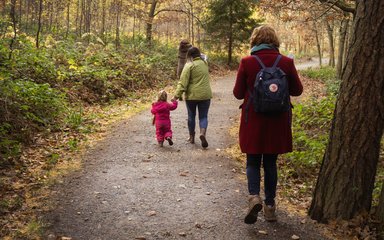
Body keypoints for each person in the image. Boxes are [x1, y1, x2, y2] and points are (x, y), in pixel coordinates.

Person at [233, 25, 303, 224]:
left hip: (253, 120)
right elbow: (297, 91)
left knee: (253, 161)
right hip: (277, 122)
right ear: (275, 41)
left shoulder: (247, 62)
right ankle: (270, 206)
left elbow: (238, 93)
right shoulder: (287, 62)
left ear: (254, 41)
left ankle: (254, 197)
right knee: (271, 163)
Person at [174, 46, 212, 148]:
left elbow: (183, 82)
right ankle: (202, 133)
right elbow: (204, 57)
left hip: (192, 96)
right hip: (205, 95)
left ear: (189, 55)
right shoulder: (204, 63)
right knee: (203, 116)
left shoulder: (189, 65)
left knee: (191, 116)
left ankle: (191, 137)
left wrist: (176, 96)